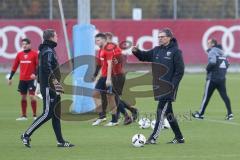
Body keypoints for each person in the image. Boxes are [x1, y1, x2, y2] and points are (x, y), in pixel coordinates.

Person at [21, 29, 74, 148]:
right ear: (50, 37)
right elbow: (46, 68)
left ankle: (60, 141)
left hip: (52, 87)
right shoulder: (48, 51)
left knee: (55, 114)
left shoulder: (46, 50)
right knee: (47, 113)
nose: (57, 37)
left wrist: (41, 84)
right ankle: (26, 134)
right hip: (50, 87)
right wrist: (55, 83)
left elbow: (41, 69)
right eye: (56, 35)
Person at [132, 28, 185, 144]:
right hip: (158, 86)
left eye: (162, 37)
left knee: (160, 112)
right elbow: (144, 56)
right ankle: (179, 137)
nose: (160, 39)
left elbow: (180, 71)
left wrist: (172, 86)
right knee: (168, 113)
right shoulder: (156, 50)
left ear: (169, 38)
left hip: (168, 88)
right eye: (159, 37)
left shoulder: (176, 52)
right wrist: (136, 51)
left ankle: (153, 138)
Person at [192, 39, 233, 120]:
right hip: (222, 78)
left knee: (206, 97)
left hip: (212, 79)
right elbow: (227, 64)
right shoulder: (223, 53)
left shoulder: (212, 51)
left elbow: (213, 62)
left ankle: (200, 114)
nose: (207, 44)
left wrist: (207, 69)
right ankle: (230, 114)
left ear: (213, 44)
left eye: (209, 43)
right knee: (225, 96)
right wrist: (221, 72)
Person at [8, 38, 38, 121]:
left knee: (32, 96)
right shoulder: (19, 54)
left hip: (31, 79)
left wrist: (35, 74)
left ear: (29, 44)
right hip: (22, 80)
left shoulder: (35, 54)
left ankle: (35, 116)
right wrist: (10, 77)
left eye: (25, 44)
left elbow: (38, 66)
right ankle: (24, 116)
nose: (24, 46)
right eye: (23, 44)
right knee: (23, 97)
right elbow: (14, 66)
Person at [93, 33, 119, 126]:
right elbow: (102, 65)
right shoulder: (101, 50)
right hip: (103, 76)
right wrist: (97, 77)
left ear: (104, 40)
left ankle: (114, 120)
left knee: (110, 98)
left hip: (110, 76)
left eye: (98, 40)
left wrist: (108, 79)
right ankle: (101, 116)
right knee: (95, 94)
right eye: (95, 41)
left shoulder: (108, 50)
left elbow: (109, 65)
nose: (96, 42)